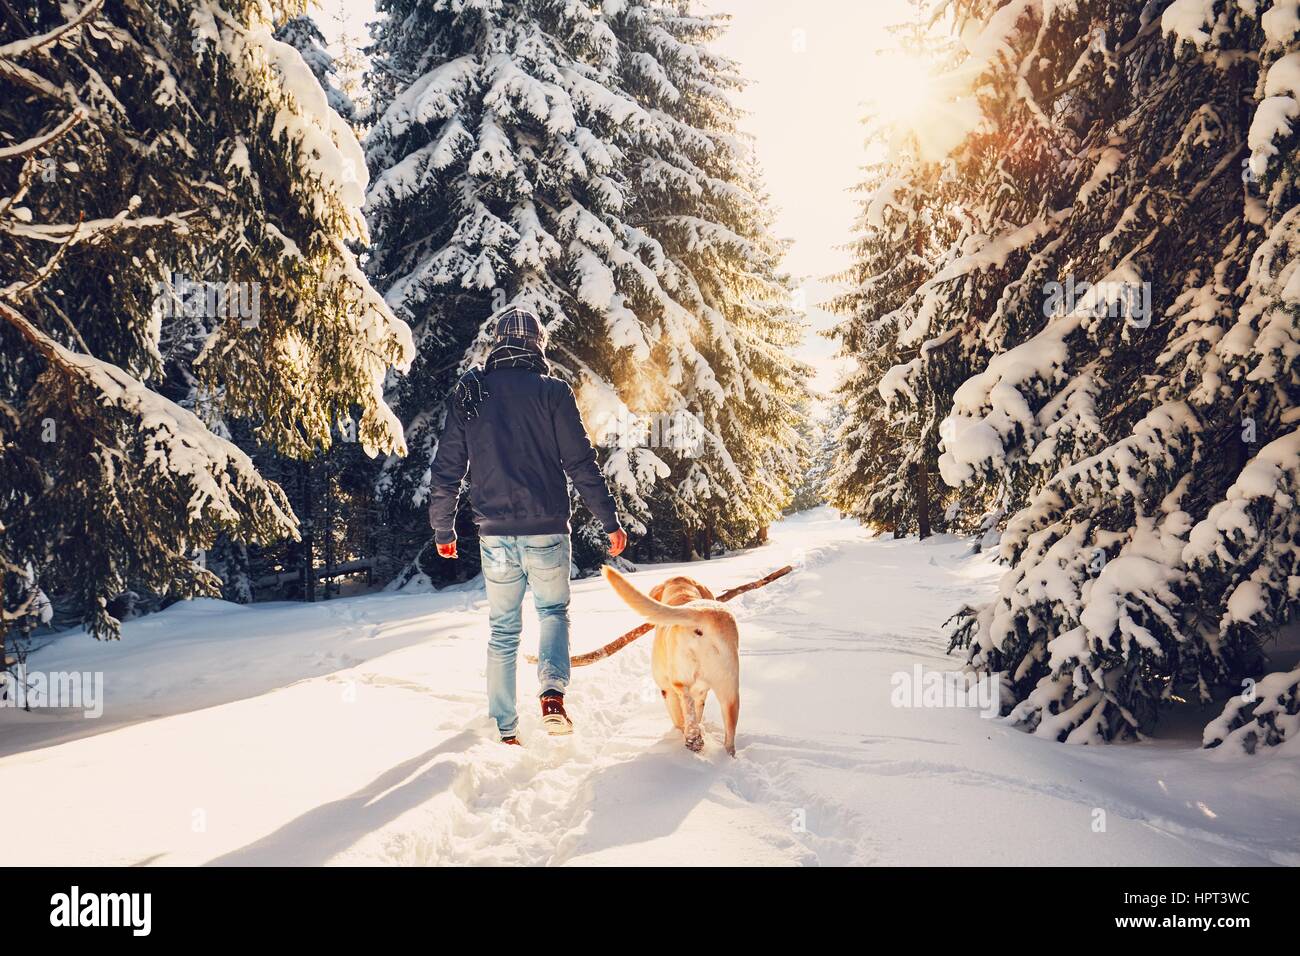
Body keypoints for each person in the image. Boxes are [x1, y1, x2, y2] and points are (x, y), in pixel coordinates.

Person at [427, 307, 627, 745]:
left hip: (494, 536)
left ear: (498, 343)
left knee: (502, 629)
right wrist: (609, 520)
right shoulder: (553, 392)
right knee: (552, 612)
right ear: (537, 345)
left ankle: (504, 730)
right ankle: (552, 695)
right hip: (547, 531)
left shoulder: (472, 391)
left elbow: (447, 469)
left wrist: (444, 529)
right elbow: (580, 463)